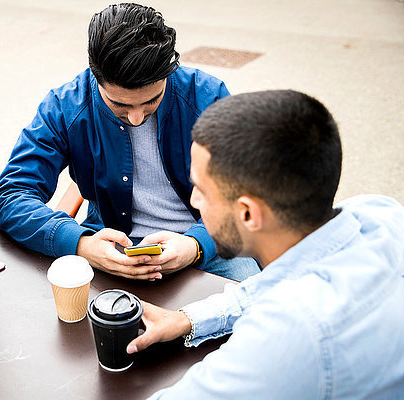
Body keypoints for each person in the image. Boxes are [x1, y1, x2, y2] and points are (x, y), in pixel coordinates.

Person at [126, 90, 404, 398]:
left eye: (201, 191)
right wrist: (187, 319)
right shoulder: (378, 211)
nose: (193, 200)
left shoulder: (289, 334)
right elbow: (275, 283)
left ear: (247, 213)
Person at [0, 3, 259, 282]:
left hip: (208, 239)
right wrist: (81, 244)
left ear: (168, 73)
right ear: (95, 76)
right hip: (110, 247)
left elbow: (246, 193)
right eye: (119, 104)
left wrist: (194, 245)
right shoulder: (64, 106)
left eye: (151, 101)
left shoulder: (207, 96)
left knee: (254, 304)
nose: (135, 117)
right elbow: (11, 196)